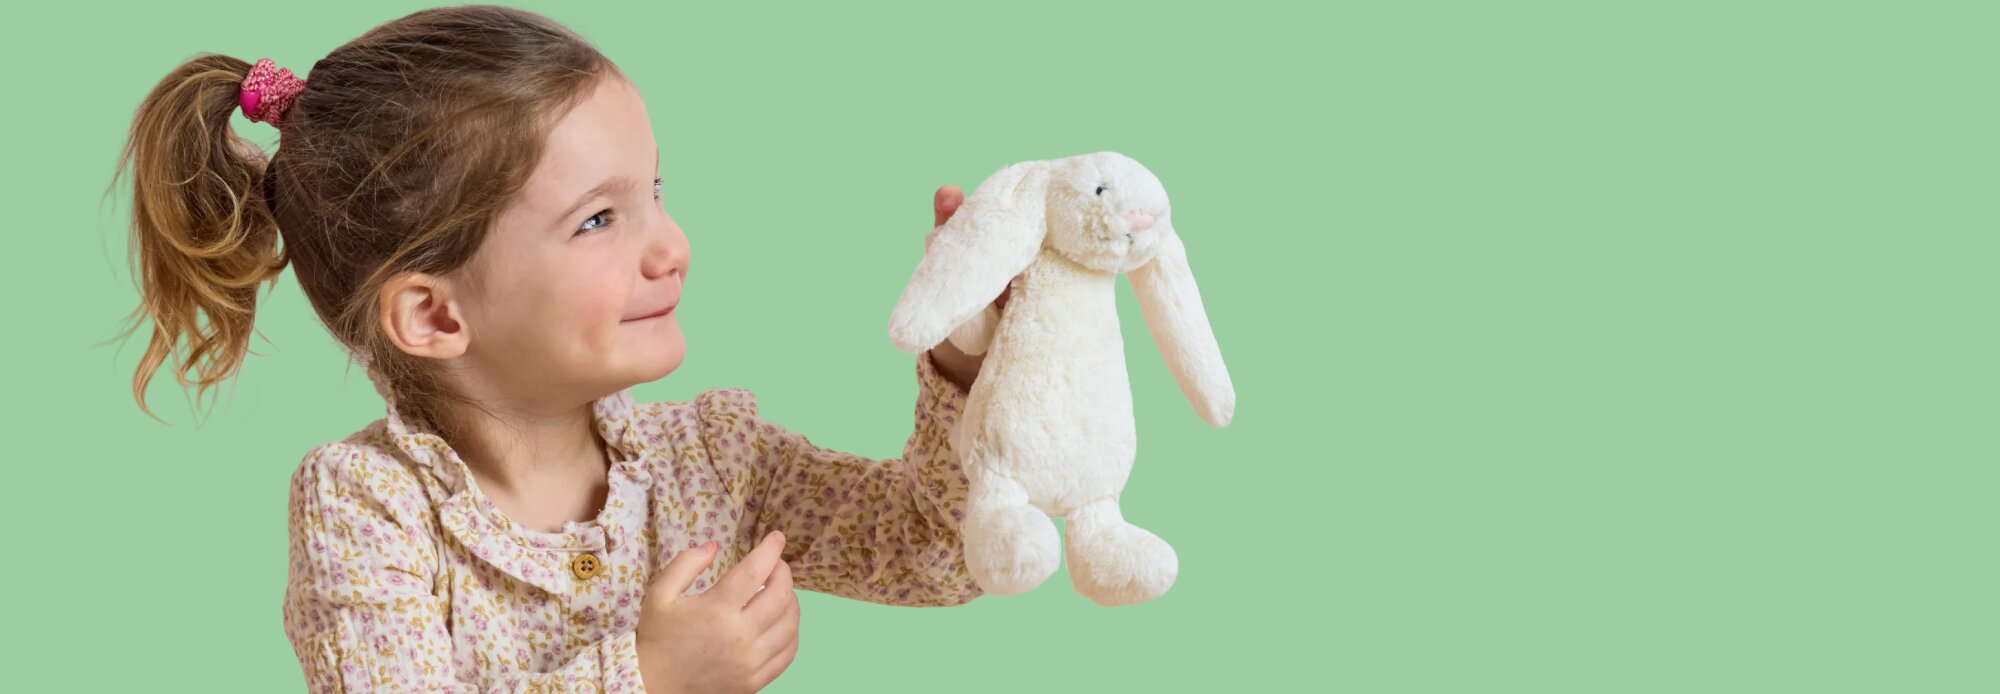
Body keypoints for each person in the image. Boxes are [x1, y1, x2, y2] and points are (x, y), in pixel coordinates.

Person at [109, 5, 1003, 691]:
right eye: (600, 219)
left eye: (657, 190)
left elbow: (936, 550)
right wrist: (645, 677)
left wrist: (964, 359)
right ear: (434, 317)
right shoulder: (367, 507)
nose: (672, 244)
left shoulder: (709, 461)